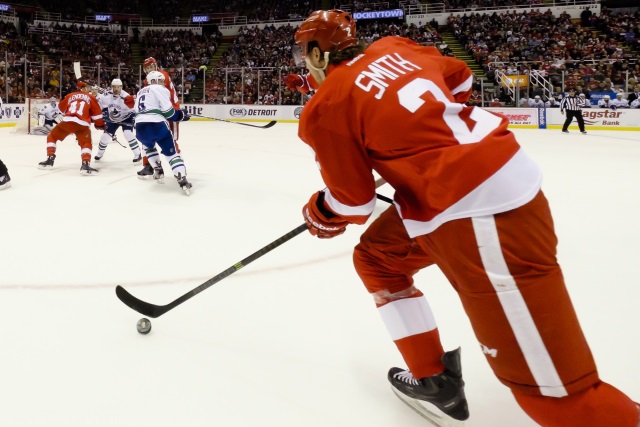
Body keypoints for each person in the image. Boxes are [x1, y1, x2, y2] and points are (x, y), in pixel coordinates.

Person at [294, 10, 639, 427]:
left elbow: (352, 204)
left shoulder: (327, 103)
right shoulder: (395, 47)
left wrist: (319, 212)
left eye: (302, 53)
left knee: (558, 400)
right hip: (470, 187)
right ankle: (433, 378)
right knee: (378, 259)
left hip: (479, 212)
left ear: (316, 51)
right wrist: (421, 134)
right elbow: (460, 80)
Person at [134, 71, 192, 195]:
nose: (163, 83)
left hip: (139, 127)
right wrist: (181, 115)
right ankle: (182, 179)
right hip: (157, 125)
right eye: (160, 80)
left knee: (149, 147)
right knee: (171, 154)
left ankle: (158, 170)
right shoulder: (160, 89)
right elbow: (169, 113)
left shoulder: (140, 92)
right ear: (153, 81)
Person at [37, 81, 105, 174]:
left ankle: (50, 159)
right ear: (83, 88)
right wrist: (99, 124)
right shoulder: (91, 97)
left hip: (68, 121)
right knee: (86, 143)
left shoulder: (70, 95)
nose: (89, 89)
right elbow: (97, 115)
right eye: (87, 87)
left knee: (52, 137)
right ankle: (85, 164)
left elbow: (61, 108)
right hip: (82, 124)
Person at [137, 57, 183, 179]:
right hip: (159, 112)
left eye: (151, 67)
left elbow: (163, 97)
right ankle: (149, 165)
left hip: (170, 110)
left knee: (171, 140)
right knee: (147, 140)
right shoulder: (149, 79)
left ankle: (178, 165)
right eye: (147, 68)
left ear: (156, 66)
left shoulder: (161, 76)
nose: (149, 70)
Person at [94, 78, 142, 164]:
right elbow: (97, 102)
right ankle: (99, 154)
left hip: (126, 117)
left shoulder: (126, 96)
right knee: (105, 136)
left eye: (118, 87)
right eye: (114, 87)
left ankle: (137, 154)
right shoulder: (107, 95)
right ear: (112, 87)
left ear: (121, 87)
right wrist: (97, 95)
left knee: (128, 134)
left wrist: (135, 119)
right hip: (113, 119)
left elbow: (134, 108)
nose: (116, 89)